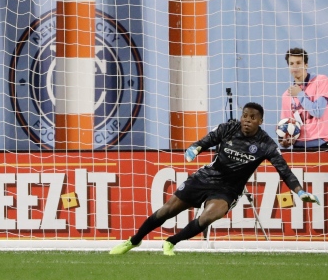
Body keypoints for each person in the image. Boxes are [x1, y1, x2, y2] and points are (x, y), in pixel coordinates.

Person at [110, 102, 320, 256]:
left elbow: (285, 171)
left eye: (252, 117)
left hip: (228, 189)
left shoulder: (266, 145)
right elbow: (207, 141)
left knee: (211, 215)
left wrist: (300, 191)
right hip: (205, 177)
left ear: (261, 121)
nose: (247, 120)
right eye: (245, 116)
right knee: (168, 210)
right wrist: (195, 148)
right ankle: (133, 241)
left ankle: (171, 242)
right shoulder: (229, 128)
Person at [280, 47, 328, 150]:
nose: (295, 67)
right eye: (291, 64)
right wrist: (285, 138)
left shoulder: (321, 81)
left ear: (306, 65)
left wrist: (300, 95)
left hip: (320, 143)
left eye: (298, 63)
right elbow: (287, 124)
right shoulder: (286, 95)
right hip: (298, 146)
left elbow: (318, 111)